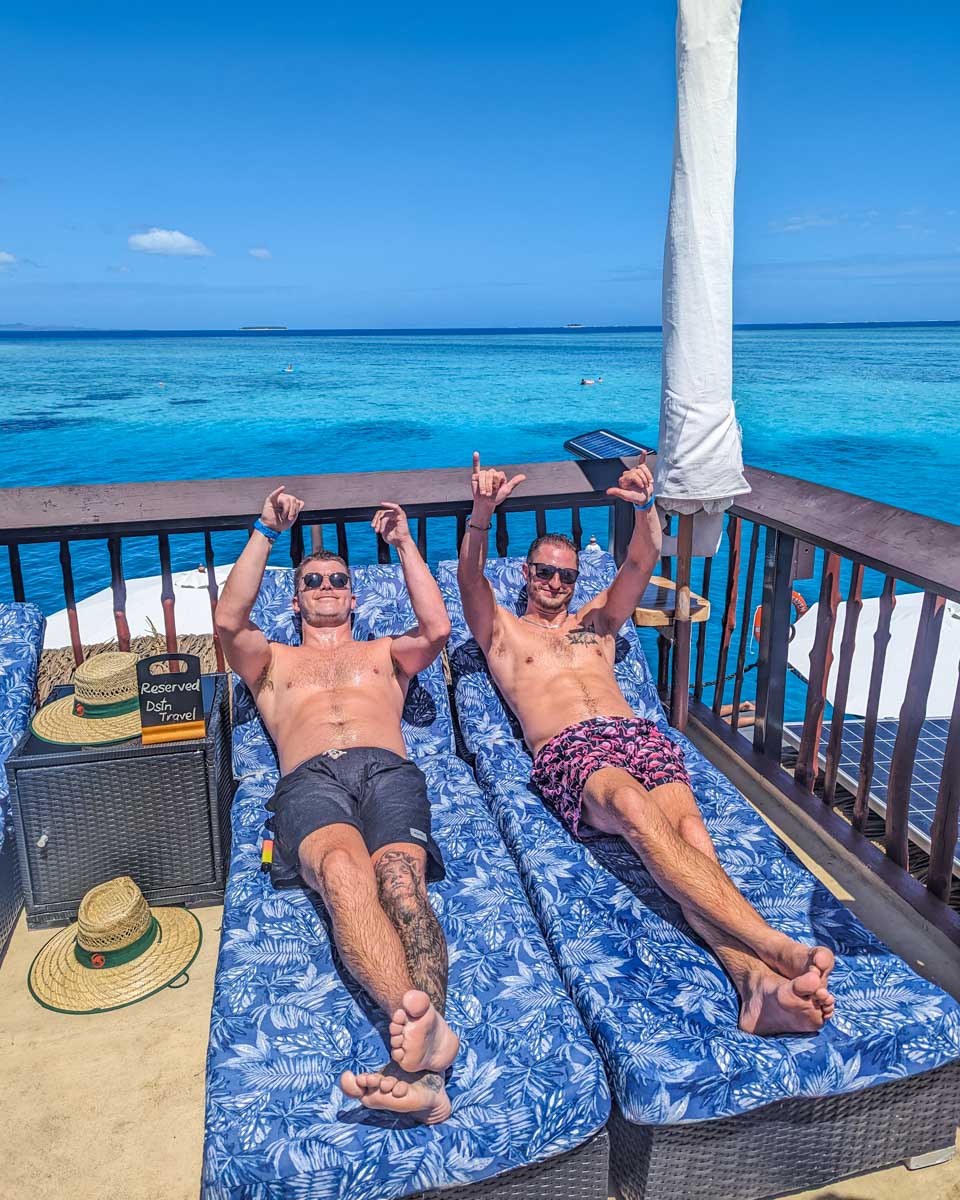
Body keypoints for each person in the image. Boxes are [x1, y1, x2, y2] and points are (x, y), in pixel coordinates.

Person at [457, 454, 835, 1036]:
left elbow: (641, 559)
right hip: (570, 749)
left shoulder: (600, 622)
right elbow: (469, 580)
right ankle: (773, 944)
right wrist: (482, 513)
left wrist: (645, 506)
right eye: (542, 572)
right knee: (634, 810)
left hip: (637, 735)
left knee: (691, 838)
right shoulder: (502, 630)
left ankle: (754, 984)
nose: (554, 583)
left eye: (565, 576)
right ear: (526, 574)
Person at [216, 486, 459, 1123]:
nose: (326, 585)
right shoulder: (271, 662)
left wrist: (404, 542)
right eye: (313, 580)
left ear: (353, 596)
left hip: (389, 771)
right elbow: (227, 623)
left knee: (401, 883)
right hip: (310, 781)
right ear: (295, 598)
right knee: (344, 874)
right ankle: (424, 1041)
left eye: (337, 579)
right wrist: (265, 530)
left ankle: (420, 1057)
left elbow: (438, 627)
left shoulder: (385, 654)